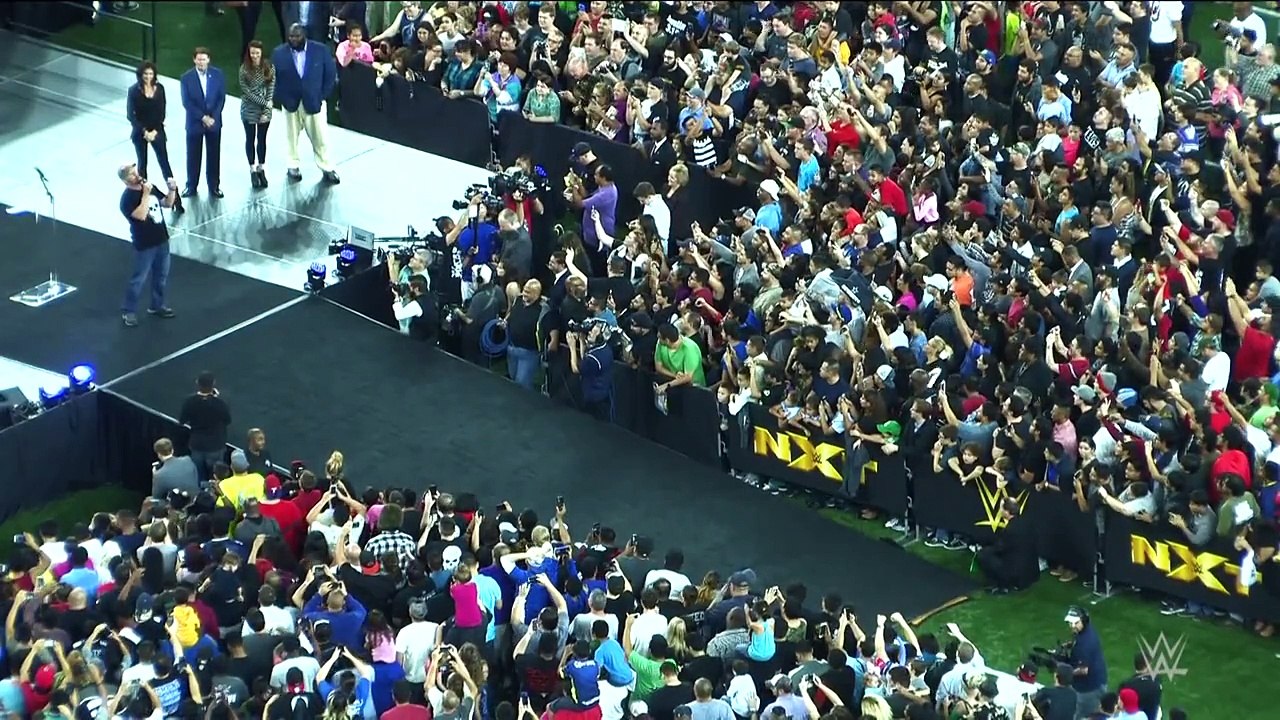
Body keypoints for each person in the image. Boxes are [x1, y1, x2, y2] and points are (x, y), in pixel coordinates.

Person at [272, 23, 340, 185]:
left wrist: (321, 96)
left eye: (297, 36)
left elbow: (330, 76)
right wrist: (281, 97)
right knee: (291, 137)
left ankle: (327, 167)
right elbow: (272, 78)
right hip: (290, 103)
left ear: (304, 36)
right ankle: (292, 165)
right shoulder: (279, 53)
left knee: (321, 137)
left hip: (313, 102)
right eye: (291, 36)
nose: (293, 39)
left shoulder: (320, 50)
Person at [117, 162, 178, 328]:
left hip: (161, 239)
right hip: (145, 245)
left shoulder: (149, 187)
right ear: (125, 180)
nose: (135, 175)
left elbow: (166, 203)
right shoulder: (127, 199)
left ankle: (157, 305)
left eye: (134, 171)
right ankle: (129, 311)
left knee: (161, 276)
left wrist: (172, 190)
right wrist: (145, 194)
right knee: (139, 279)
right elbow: (141, 215)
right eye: (131, 174)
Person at [126, 61, 182, 214]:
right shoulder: (133, 91)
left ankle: (176, 198)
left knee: (164, 163)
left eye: (151, 74)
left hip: (157, 130)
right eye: (145, 74)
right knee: (142, 165)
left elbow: (161, 112)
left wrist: (155, 131)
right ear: (141, 75)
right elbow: (131, 115)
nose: (148, 77)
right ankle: (143, 198)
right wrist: (145, 132)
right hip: (140, 132)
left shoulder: (160, 89)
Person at [178, 46, 226, 199]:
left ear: (208, 60)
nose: (201, 62)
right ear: (194, 60)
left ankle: (214, 186)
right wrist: (203, 118)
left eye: (204, 59)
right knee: (193, 156)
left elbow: (221, 98)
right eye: (198, 59)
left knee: (214, 156)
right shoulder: (186, 78)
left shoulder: (218, 75)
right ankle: (191, 186)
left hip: (214, 123)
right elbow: (187, 102)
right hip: (195, 124)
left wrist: (213, 117)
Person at [179, 371, 231, 481]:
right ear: (213, 384)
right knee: (216, 475)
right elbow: (227, 420)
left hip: (197, 445)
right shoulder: (220, 403)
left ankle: (201, 495)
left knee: (198, 475)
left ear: (198, 383)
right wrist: (215, 398)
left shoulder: (190, 402)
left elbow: (182, 421)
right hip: (215, 446)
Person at [239, 39, 276, 189]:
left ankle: (261, 168)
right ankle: (252, 169)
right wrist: (265, 103)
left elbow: (271, 90)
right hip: (249, 110)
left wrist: (267, 110)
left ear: (262, 53)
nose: (254, 55)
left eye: (257, 53)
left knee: (262, 140)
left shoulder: (269, 68)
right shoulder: (244, 70)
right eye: (252, 53)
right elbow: (246, 92)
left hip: (264, 111)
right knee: (250, 139)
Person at [568, 318, 616, 421]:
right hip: (603, 393)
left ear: (600, 337)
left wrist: (572, 347)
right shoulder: (604, 348)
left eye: (592, 333)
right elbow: (585, 356)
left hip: (593, 398)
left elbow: (576, 369)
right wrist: (581, 341)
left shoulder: (594, 358)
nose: (589, 333)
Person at [1065, 606, 1106, 720]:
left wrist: (1067, 673)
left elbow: (1083, 670)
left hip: (1089, 689)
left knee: (1081, 716)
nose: (1073, 626)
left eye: (1076, 623)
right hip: (1093, 683)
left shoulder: (1085, 644)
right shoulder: (1085, 632)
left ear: (1084, 621)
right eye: (1070, 623)